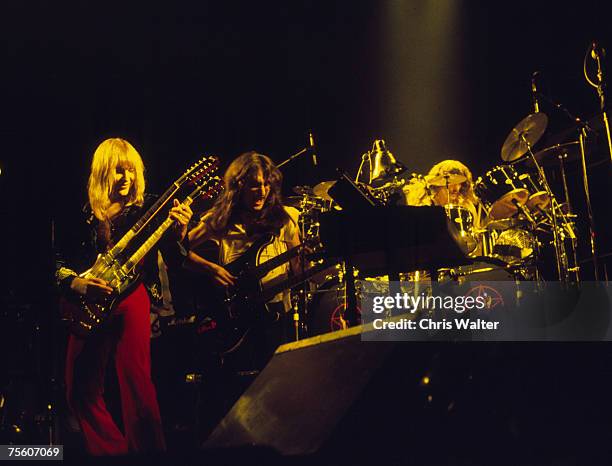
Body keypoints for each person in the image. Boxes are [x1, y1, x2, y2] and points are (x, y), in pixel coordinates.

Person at [55, 138, 193, 455]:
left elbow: (176, 258)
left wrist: (180, 233)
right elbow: (55, 262)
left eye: (131, 171)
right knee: (78, 388)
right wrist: (76, 285)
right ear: (103, 172)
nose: (126, 178)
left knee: (137, 385)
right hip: (87, 302)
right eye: (119, 171)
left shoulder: (149, 208)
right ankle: (112, 453)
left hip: (131, 299)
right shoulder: (81, 215)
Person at [185, 151, 301, 369]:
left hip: (276, 314)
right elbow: (179, 251)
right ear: (239, 187)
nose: (263, 192)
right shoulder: (220, 220)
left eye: (267, 185)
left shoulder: (284, 218)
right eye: (255, 185)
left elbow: (299, 266)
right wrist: (211, 269)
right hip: (237, 316)